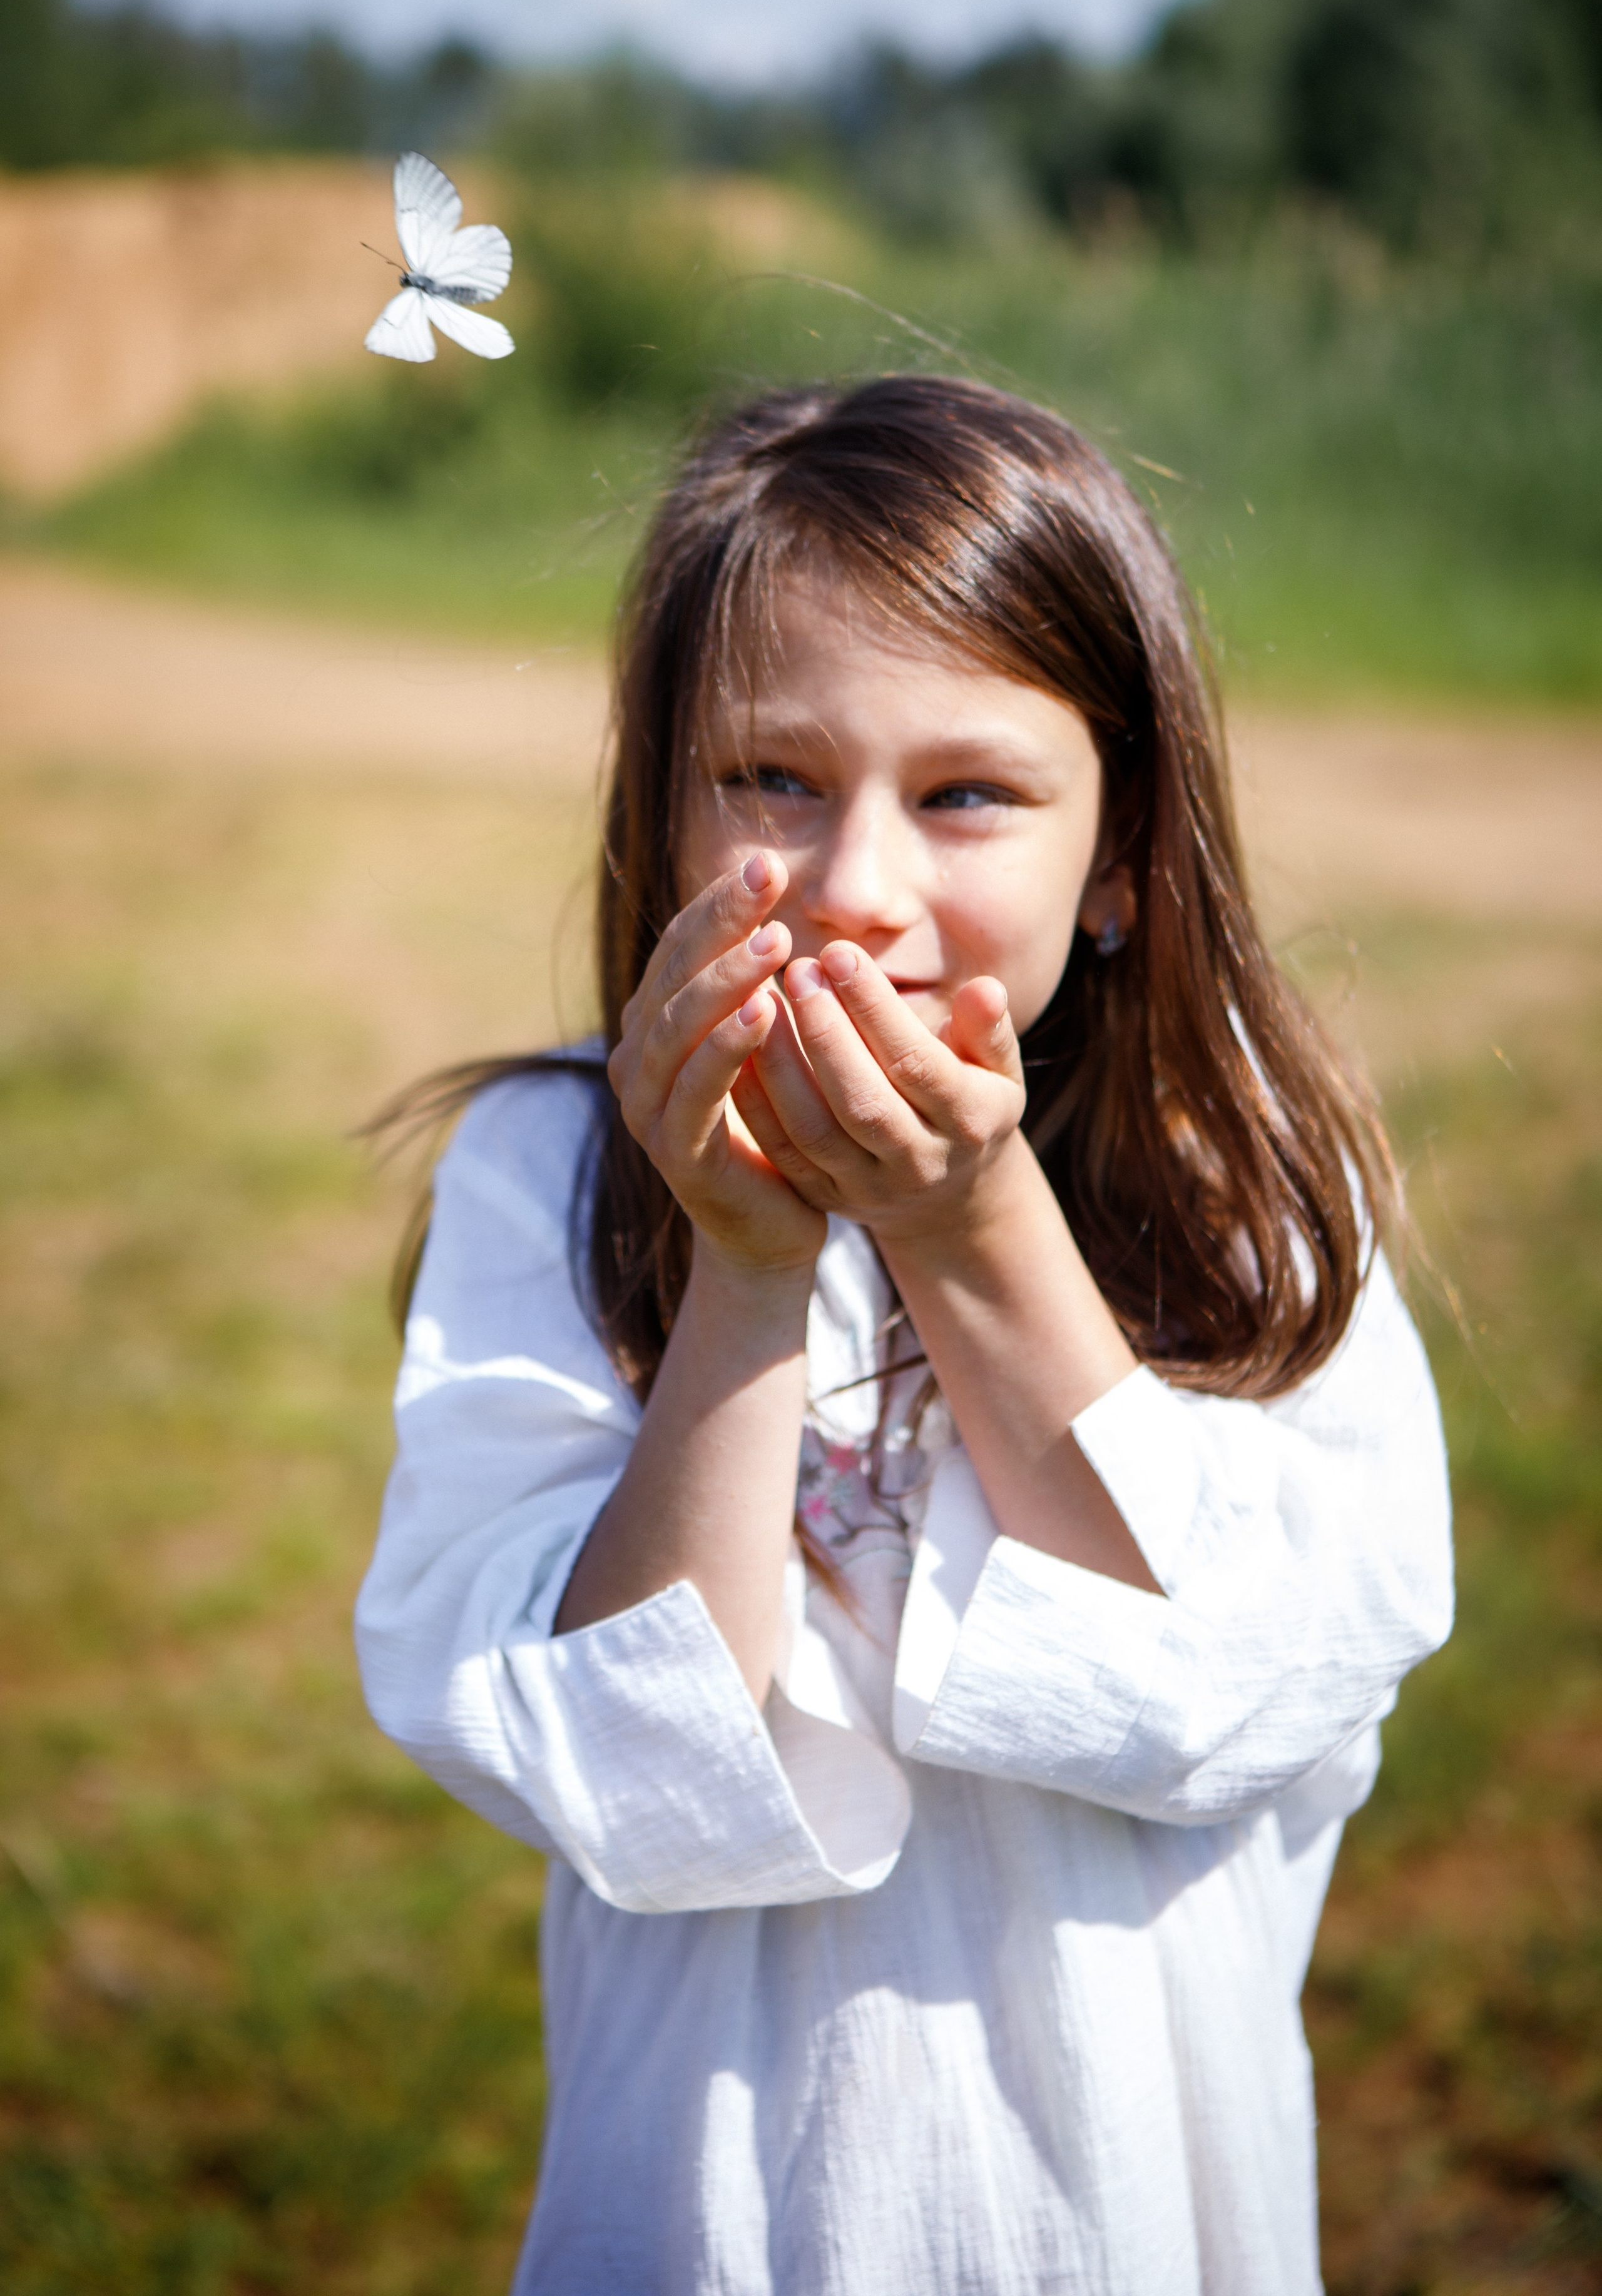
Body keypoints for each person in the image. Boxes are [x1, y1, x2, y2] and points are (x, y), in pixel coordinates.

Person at [355, 375, 1452, 2295]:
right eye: (770, 779)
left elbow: (1234, 1690)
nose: (858, 893)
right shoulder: (549, 1171)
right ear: (661, 802)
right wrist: (745, 1273)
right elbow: (621, 1777)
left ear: (1118, 855)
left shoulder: (1262, 1205)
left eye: (966, 796)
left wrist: (967, 1221)